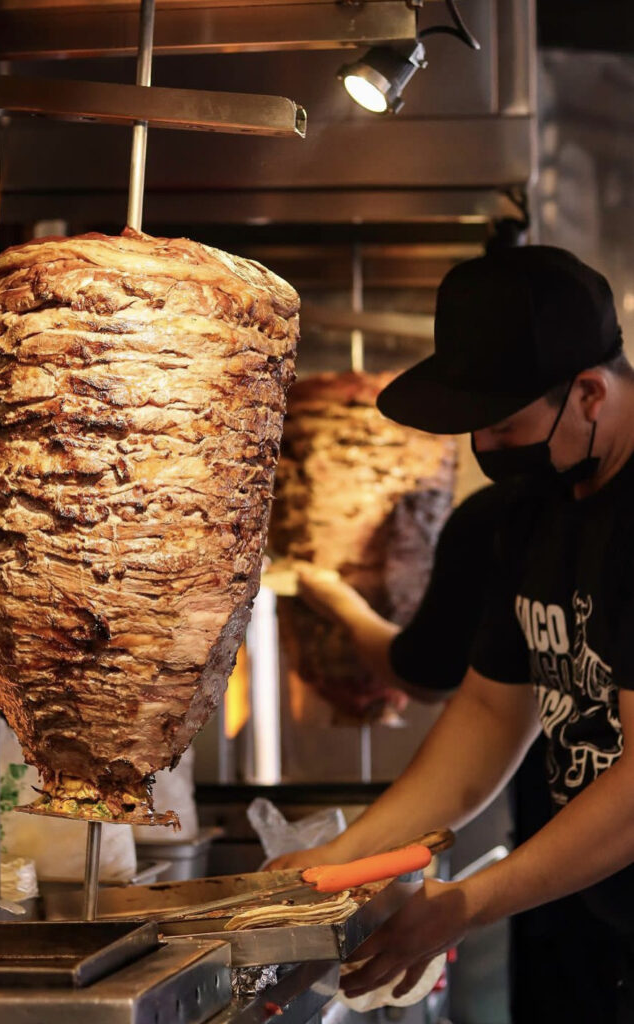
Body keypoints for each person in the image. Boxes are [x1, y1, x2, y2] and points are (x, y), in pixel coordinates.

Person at [269, 246, 634, 1021]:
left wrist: (463, 903)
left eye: (502, 425)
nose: (487, 449)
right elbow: (489, 712)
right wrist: (342, 859)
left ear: (590, 394)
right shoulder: (535, 512)